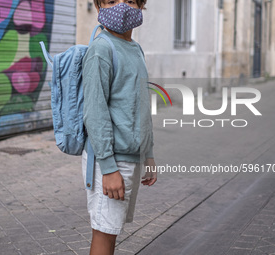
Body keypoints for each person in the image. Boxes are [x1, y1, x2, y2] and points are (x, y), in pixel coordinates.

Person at [81, 0, 157, 254]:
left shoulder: (135, 48)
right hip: (109, 160)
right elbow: (95, 111)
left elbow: (140, 105)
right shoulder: (101, 48)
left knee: (111, 231)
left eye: (130, 1)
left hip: (129, 157)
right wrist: (108, 168)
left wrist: (148, 154)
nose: (122, 7)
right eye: (112, 1)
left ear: (141, 5)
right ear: (99, 6)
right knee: (104, 233)